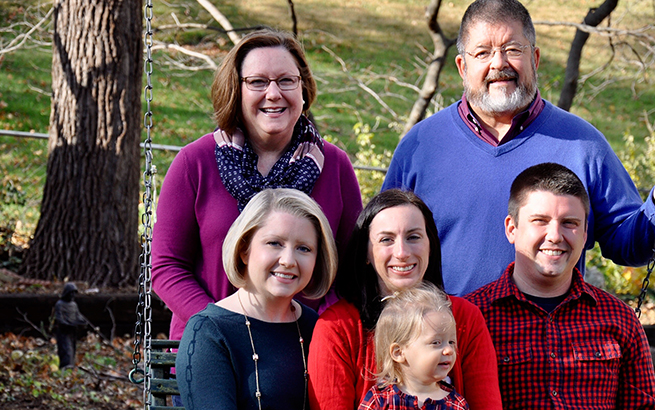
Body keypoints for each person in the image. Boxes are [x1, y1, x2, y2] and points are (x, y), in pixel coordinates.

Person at [382, 0, 655, 296]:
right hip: (446, 344)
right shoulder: (421, 146)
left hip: (548, 343)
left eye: (512, 50)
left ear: (535, 58)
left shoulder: (582, 145)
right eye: (483, 53)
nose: (499, 64)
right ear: (462, 67)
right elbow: (384, 246)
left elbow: (626, 244)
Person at [153, 28, 362, 342]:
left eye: (286, 80)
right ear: (236, 90)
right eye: (258, 82)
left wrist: (317, 326)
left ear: (303, 89)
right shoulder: (194, 163)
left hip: (306, 349)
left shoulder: (335, 166)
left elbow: (350, 270)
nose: (274, 93)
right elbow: (167, 266)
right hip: (212, 346)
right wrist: (219, 324)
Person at [466, 163, 655, 409]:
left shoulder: (619, 319)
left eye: (569, 223)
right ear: (511, 229)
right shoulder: (474, 317)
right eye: (540, 221)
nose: (555, 235)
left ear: (584, 233)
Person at [308, 189, 502, 410]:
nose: (401, 252)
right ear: (366, 254)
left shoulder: (465, 318)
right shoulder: (337, 328)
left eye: (413, 237)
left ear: (431, 245)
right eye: (386, 239)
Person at [176, 188, 337, 410]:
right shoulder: (209, 333)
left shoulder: (316, 327)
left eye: (303, 248)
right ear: (244, 250)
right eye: (275, 243)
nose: (289, 260)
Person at [359, 282, 470, 410]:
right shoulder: (380, 400)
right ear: (398, 352)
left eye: (451, 342)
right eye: (436, 343)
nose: (449, 350)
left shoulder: (456, 404)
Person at [52, 282, 89, 369]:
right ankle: (66, 366)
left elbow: (78, 315)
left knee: (72, 349)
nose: (72, 295)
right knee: (66, 349)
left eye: (74, 293)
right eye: (71, 293)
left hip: (72, 331)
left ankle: (70, 365)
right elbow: (59, 318)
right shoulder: (60, 304)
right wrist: (67, 324)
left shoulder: (74, 305)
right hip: (64, 331)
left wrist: (83, 321)